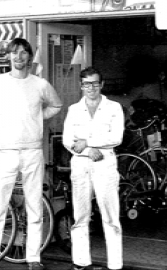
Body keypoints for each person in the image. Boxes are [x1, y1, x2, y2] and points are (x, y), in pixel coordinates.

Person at [0, 38, 62, 270]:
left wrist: (37, 119)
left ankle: (33, 257)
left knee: (34, 205)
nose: (19, 57)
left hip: (32, 151)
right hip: (4, 152)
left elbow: (56, 105)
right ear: (8, 57)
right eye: (14, 53)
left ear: (30, 57)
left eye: (24, 53)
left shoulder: (40, 84)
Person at [62, 67, 125, 270]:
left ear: (102, 84)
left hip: (105, 163)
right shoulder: (73, 109)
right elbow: (67, 140)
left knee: (110, 216)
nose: (91, 87)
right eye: (87, 84)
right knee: (81, 215)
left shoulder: (113, 107)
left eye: (95, 83)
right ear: (81, 86)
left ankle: (115, 265)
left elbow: (116, 137)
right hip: (81, 163)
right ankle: (80, 262)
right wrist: (89, 150)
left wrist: (88, 141)